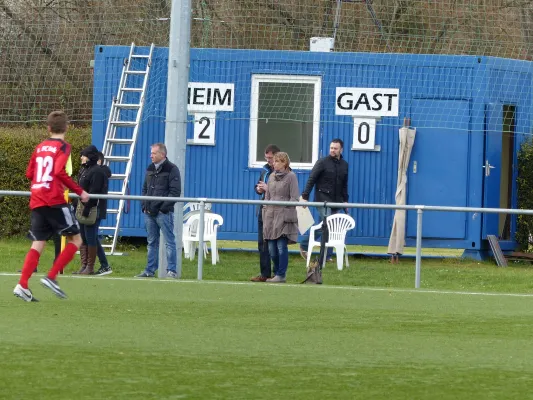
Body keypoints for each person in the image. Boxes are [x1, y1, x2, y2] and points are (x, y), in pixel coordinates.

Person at [13, 110, 89, 302]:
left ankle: (23, 285)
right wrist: (80, 191)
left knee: (38, 242)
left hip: (37, 198)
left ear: (48, 128)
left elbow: (29, 173)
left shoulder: (40, 147)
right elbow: (58, 171)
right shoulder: (63, 146)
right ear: (67, 127)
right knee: (77, 240)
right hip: (53, 199)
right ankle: (52, 276)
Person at [135, 143, 181, 278]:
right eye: (151, 153)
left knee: (169, 241)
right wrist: (144, 205)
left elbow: (175, 191)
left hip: (163, 213)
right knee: (151, 242)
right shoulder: (150, 168)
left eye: (154, 153)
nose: (151, 156)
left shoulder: (172, 169)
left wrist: (163, 208)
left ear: (162, 154)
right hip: (148, 212)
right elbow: (145, 189)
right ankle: (149, 270)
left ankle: (171, 271)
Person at [299, 138, 349, 261]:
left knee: (330, 227)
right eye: (331, 148)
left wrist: (345, 201)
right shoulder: (322, 162)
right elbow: (312, 179)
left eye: (335, 148)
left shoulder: (344, 165)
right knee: (328, 225)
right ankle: (306, 245)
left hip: (336, 201)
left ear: (341, 149)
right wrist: (305, 196)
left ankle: (327, 255)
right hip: (322, 199)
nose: (332, 150)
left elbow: (344, 184)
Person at [262, 152, 300, 283]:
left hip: (283, 217)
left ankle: (281, 274)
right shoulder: (271, 176)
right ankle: (276, 273)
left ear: (285, 163)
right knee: (272, 249)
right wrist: (265, 210)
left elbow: (295, 197)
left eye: (278, 161)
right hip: (270, 216)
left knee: (281, 246)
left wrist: (286, 211)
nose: (274, 163)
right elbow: (268, 197)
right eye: (274, 161)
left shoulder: (291, 177)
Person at [72, 145, 109, 276]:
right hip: (81, 207)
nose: (81, 157)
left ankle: (90, 267)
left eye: (84, 155)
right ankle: (84, 265)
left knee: (91, 237)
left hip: (92, 209)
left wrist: (87, 208)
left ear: (90, 157)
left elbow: (95, 192)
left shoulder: (97, 172)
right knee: (83, 237)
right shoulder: (84, 170)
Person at [250, 144, 280, 282]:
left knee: (275, 244)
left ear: (277, 156)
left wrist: (268, 189)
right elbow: (257, 186)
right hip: (263, 209)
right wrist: (259, 189)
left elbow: (284, 192)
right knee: (262, 243)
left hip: (276, 212)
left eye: (270, 158)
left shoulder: (284, 172)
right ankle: (264, 274)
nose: (268, 160)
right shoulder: (265, 170)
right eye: (266, 158)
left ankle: (278, 274)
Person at [95, 151, 112, 275]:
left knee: (92, 237)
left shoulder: (101, 172)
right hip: (88, 208)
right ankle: (89, 266)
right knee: (88, 237)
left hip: (95, 208)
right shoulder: (92, 171)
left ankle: (104, 265)